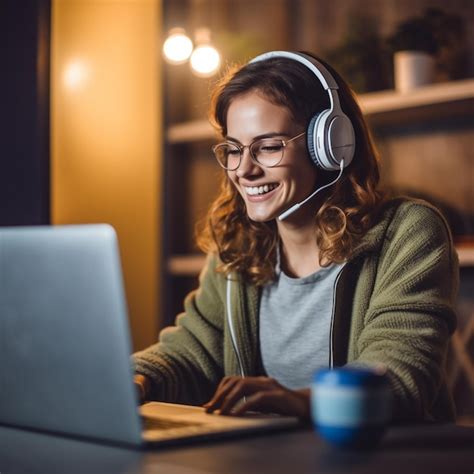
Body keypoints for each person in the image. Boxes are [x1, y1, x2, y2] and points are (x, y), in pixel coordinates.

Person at [133, 51, 458, 422]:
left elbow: (400, 374)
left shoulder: (407, 232)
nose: (244, 170)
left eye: (268, 147)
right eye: (234, 149)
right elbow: (191, 351)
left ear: (331, 145)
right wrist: (133, 380)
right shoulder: (237, 247)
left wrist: (301, 401)